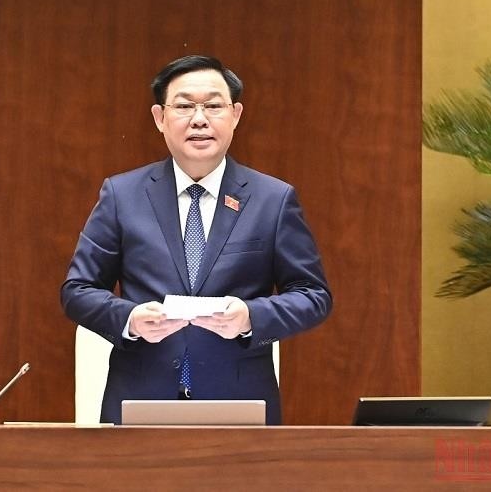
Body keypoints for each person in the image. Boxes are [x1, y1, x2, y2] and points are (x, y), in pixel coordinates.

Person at [61, 55, 332, 425]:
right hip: (140, 402)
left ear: (235, 115)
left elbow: (313, 295)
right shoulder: (122, 195)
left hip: (240, 405)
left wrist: (251, 316)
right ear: (160, 118)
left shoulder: (273, 199)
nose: (200, 119)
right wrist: (130, 319)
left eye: (214, 106)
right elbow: (78, 290)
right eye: (185, 106)